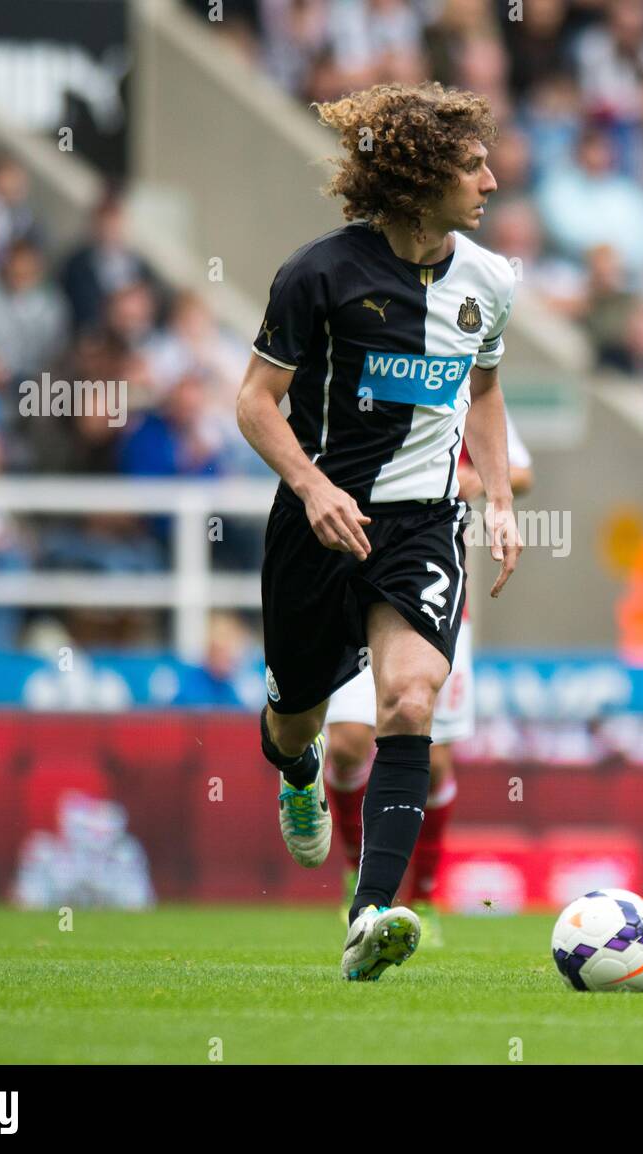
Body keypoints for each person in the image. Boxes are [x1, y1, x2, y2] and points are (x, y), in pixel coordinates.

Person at [235, 81, 522, 981]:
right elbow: (255, 403)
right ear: (420, 179)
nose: (491, 181)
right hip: (320, 525)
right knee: (295, 722)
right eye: (473, 166)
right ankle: (298, 773)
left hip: (423, 526)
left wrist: (500, 498)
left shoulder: (490, 281)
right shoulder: (318, 275)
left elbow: (484, 390)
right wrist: (311, 485)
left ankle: (372, 915)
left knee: (410, 701)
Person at [324, 412, 532, 946]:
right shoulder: (362, 384)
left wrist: (475, 480)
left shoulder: (461, 385)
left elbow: (519, 469)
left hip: (432, 594)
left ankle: (425, 895)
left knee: (434, 760)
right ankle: (358, 872)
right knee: (344, 746)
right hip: (353, 584)